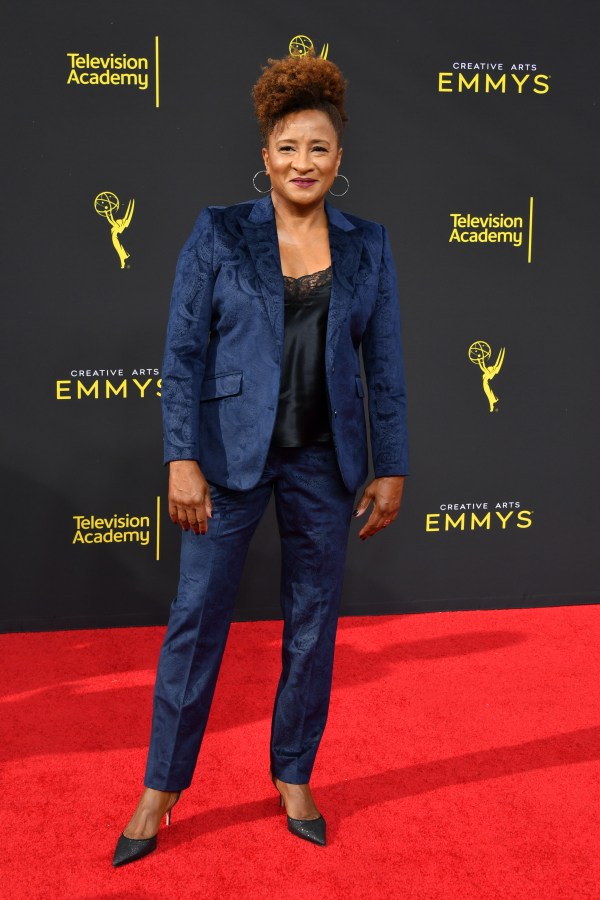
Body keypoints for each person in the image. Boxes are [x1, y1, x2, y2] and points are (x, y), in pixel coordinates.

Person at [113, 49, 408, 867]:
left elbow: (383, 365)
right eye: (287, 147)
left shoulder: (368, 245)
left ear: (339, 159)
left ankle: (294, 774)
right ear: (265, 156)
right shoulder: (219, 232)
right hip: (226, 462)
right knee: (195, 621)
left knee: (313, 627)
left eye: (318, 148)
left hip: (326, 463)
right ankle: (161, 788)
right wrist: (180, 459)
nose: (302, 163)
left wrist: (392, 465)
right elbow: (181, 353)